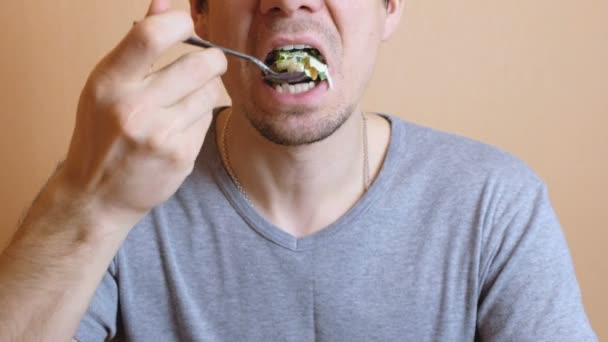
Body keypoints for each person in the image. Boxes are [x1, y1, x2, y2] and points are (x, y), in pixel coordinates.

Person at [0, 0, 597, 340]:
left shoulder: (495, 206)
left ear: (390, 8)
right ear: (201, 16)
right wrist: (86, 202)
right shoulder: (118, 190)